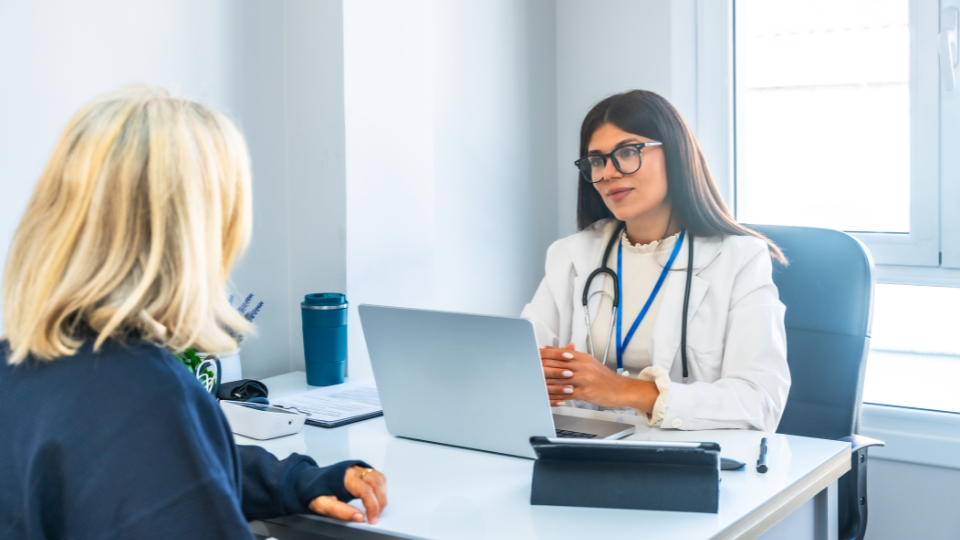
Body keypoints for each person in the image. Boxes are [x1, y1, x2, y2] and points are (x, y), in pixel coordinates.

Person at [0, 87, 387, 539]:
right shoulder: (143, 395)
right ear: (192, 234)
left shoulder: (22, 365)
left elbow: (151, 472)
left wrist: (290, 482)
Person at [522, 90, 790, 432]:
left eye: (627, 152)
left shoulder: (739, 258)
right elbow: (522, 363)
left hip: (684, 450)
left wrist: (623, 390)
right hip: (583, 445)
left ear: (675, 153)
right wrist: (533, 375)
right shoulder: (571, 254)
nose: (609, 173)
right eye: (597, 160)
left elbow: (760, 402)